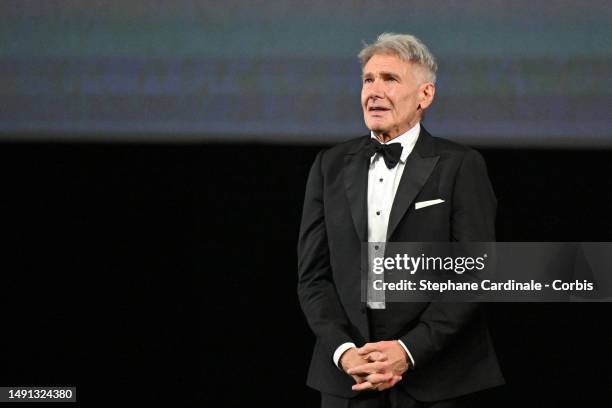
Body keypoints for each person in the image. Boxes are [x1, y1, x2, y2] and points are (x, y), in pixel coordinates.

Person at [297, 33, 504, 408]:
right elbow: (313, 276)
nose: (374, 90)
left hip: (435, 379)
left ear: (425, 95)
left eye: (390, 79)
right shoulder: (328, 165)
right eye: (368, 80)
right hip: (349, 380)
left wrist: (408, 350)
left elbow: (475, 273)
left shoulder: (460, 165)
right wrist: (344, 351)